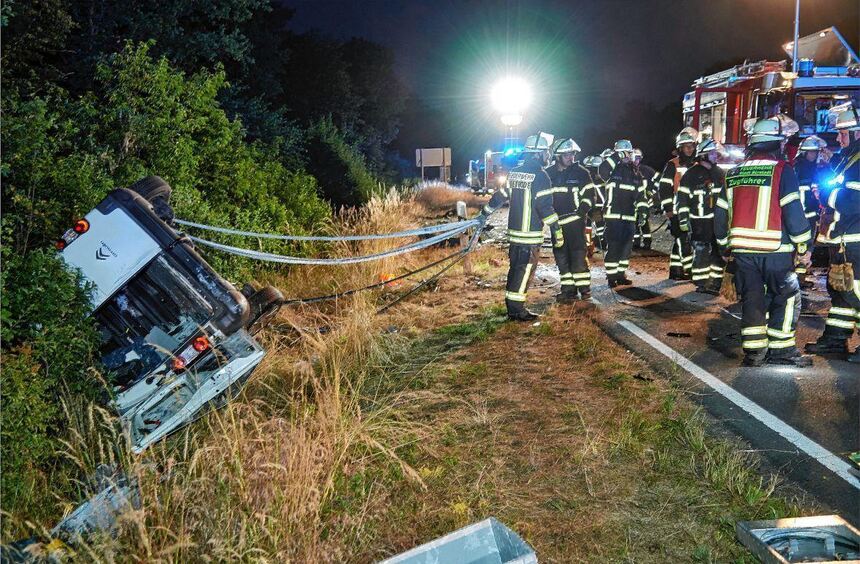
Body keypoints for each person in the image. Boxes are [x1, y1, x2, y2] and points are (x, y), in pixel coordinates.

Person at [714, 115, 813, 367]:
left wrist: (724, 246)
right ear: (776, 143)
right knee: (787, 296)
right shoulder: (782, 170)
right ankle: (781, 350)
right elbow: (793, 210)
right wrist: (804, 245)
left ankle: (754, 352)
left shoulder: (733, 173)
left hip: (742, 252)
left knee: (752, 298)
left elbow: (721, 213)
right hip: (776, 250)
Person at [479, 132, 562, 321]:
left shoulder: (515, 173)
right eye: (545, 152)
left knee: (516, 270)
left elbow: (500, 196)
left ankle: (512, 307)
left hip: (515, 235)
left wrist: (485, 212)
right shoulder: (541, 176)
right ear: (537, 153)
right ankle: (517, 311)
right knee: (524, 272)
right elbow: (545, 207)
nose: (547, 155)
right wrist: (556, 229)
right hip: (529, 236)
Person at [804, 108, 860, 364]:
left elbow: (853, 201)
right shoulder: (850, 158)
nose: (838, 138)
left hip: (855, 240)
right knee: (839, 291)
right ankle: (836, 338)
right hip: (843, 238)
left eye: (842, 133)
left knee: (855, 292)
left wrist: (827, 195)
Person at [546, 138, 596, 302]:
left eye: (572, 154)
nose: (571, 157)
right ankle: (568, 290)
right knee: (561, 258)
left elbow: (590, 195)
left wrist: (583, 209)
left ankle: (585, 290)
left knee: (578, 256)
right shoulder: (548, 174)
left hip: (575, 223)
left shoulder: (581, 173)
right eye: (567, 154)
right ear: (558, 156)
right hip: (556, 225)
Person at [676, 138, 726, 294]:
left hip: (717, 221)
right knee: (701, 251)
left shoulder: (719, 174)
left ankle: (715, 282)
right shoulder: (691, 175)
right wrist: (683, 219)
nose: (716, 156)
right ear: (704, 155)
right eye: (712, 153)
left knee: (718, 251)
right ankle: (701, 282)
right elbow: (682, 199)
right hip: (699, 222)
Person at [602, 139, 649, 288]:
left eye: (629, 153)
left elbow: (641, 195)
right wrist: (617, 156)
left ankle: (620, 275)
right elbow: (602, 170)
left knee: (626, 249)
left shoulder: (635, 173)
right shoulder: (611, 171)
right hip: (613, 217)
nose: (627, 156)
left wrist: (643, 211)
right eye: (624, 153)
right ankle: (611, 277)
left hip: (629, 218)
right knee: (614, 248)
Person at [659, 128, 698, 280]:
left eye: (691, 146)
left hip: (694, 210)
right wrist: (668, 210)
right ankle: (689, 270)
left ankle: (676, 270)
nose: (689, 149)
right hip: (677, 210)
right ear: (680, 148)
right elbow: (664, 188)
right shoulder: (672, 165)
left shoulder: (697, 164)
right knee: (683, 240)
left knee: (681, 240)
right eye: (686, 146)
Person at [793, 135, 827, 288]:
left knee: (807, 244)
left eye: (816, 152)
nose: (814, 155)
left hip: (810, 212)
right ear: (804, 153)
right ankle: (798, 277)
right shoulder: (800, 168)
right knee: (803, 244)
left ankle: (800, 275)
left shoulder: (811, 168)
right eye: (812, 152)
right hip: (803, 213)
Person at [633, 148, 658, 250]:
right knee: (634, 223)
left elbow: (659, 181)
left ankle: (647, 242)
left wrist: (653, 193)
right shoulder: (627, 170)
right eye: (634, 157)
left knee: (644, 221)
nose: (636, 160)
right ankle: (636, 243)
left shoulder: (647, 170)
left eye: (638, 158)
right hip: (632, 202)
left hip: (645, 201)